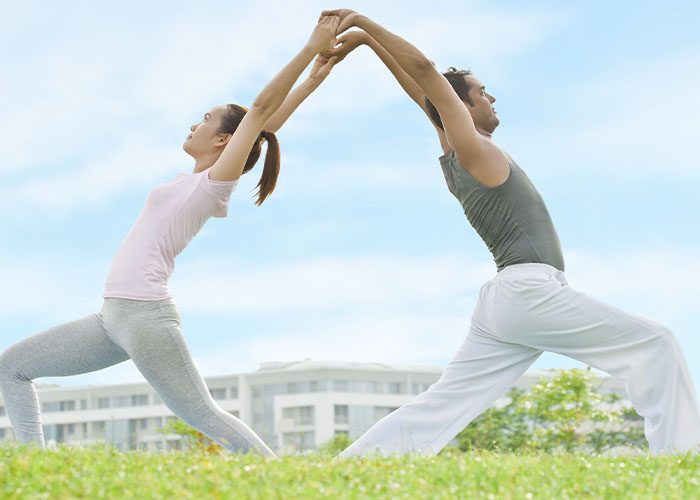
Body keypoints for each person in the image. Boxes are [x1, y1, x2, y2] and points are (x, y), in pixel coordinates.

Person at [321, 9, 700, 456]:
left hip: (503, 304)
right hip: (529, 290)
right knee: (656, 345)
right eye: (482, 92)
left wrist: (370, 46)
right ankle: (683, 460)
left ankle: (354, 466)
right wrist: (365, 24)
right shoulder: (474, 149)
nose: (492, 97)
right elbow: (425, 76)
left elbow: (421, 92)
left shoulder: (456, 151)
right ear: (462, 106)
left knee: (444, 403)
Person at [0, 15, 340, 456]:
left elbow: (257, 116)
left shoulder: (214, 183)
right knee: (12, 367)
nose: (194, 125)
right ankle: (33, 462)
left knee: (200, 413)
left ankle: (279, 474)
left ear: (223, 141)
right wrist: (313, 79)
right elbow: (266, 124)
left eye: (205, 119)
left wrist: (311, 47)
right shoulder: (191, 179)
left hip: (145, 315)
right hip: (111, 319)